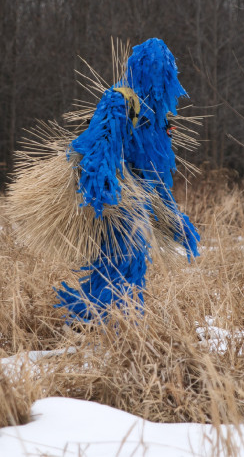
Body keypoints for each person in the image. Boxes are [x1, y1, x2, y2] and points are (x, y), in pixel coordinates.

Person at [55, 38, 200, 323]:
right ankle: (110, 322)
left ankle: (111, 321)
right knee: (117, 261)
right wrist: (103, 189)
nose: (159, 79)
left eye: (165, 73)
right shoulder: (119, 100)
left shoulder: (160, 120)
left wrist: (172, 217)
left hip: (138, 203)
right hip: (114, 199)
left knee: (131, 264)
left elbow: (156, 176)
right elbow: (98, 146)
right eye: (154, 71)